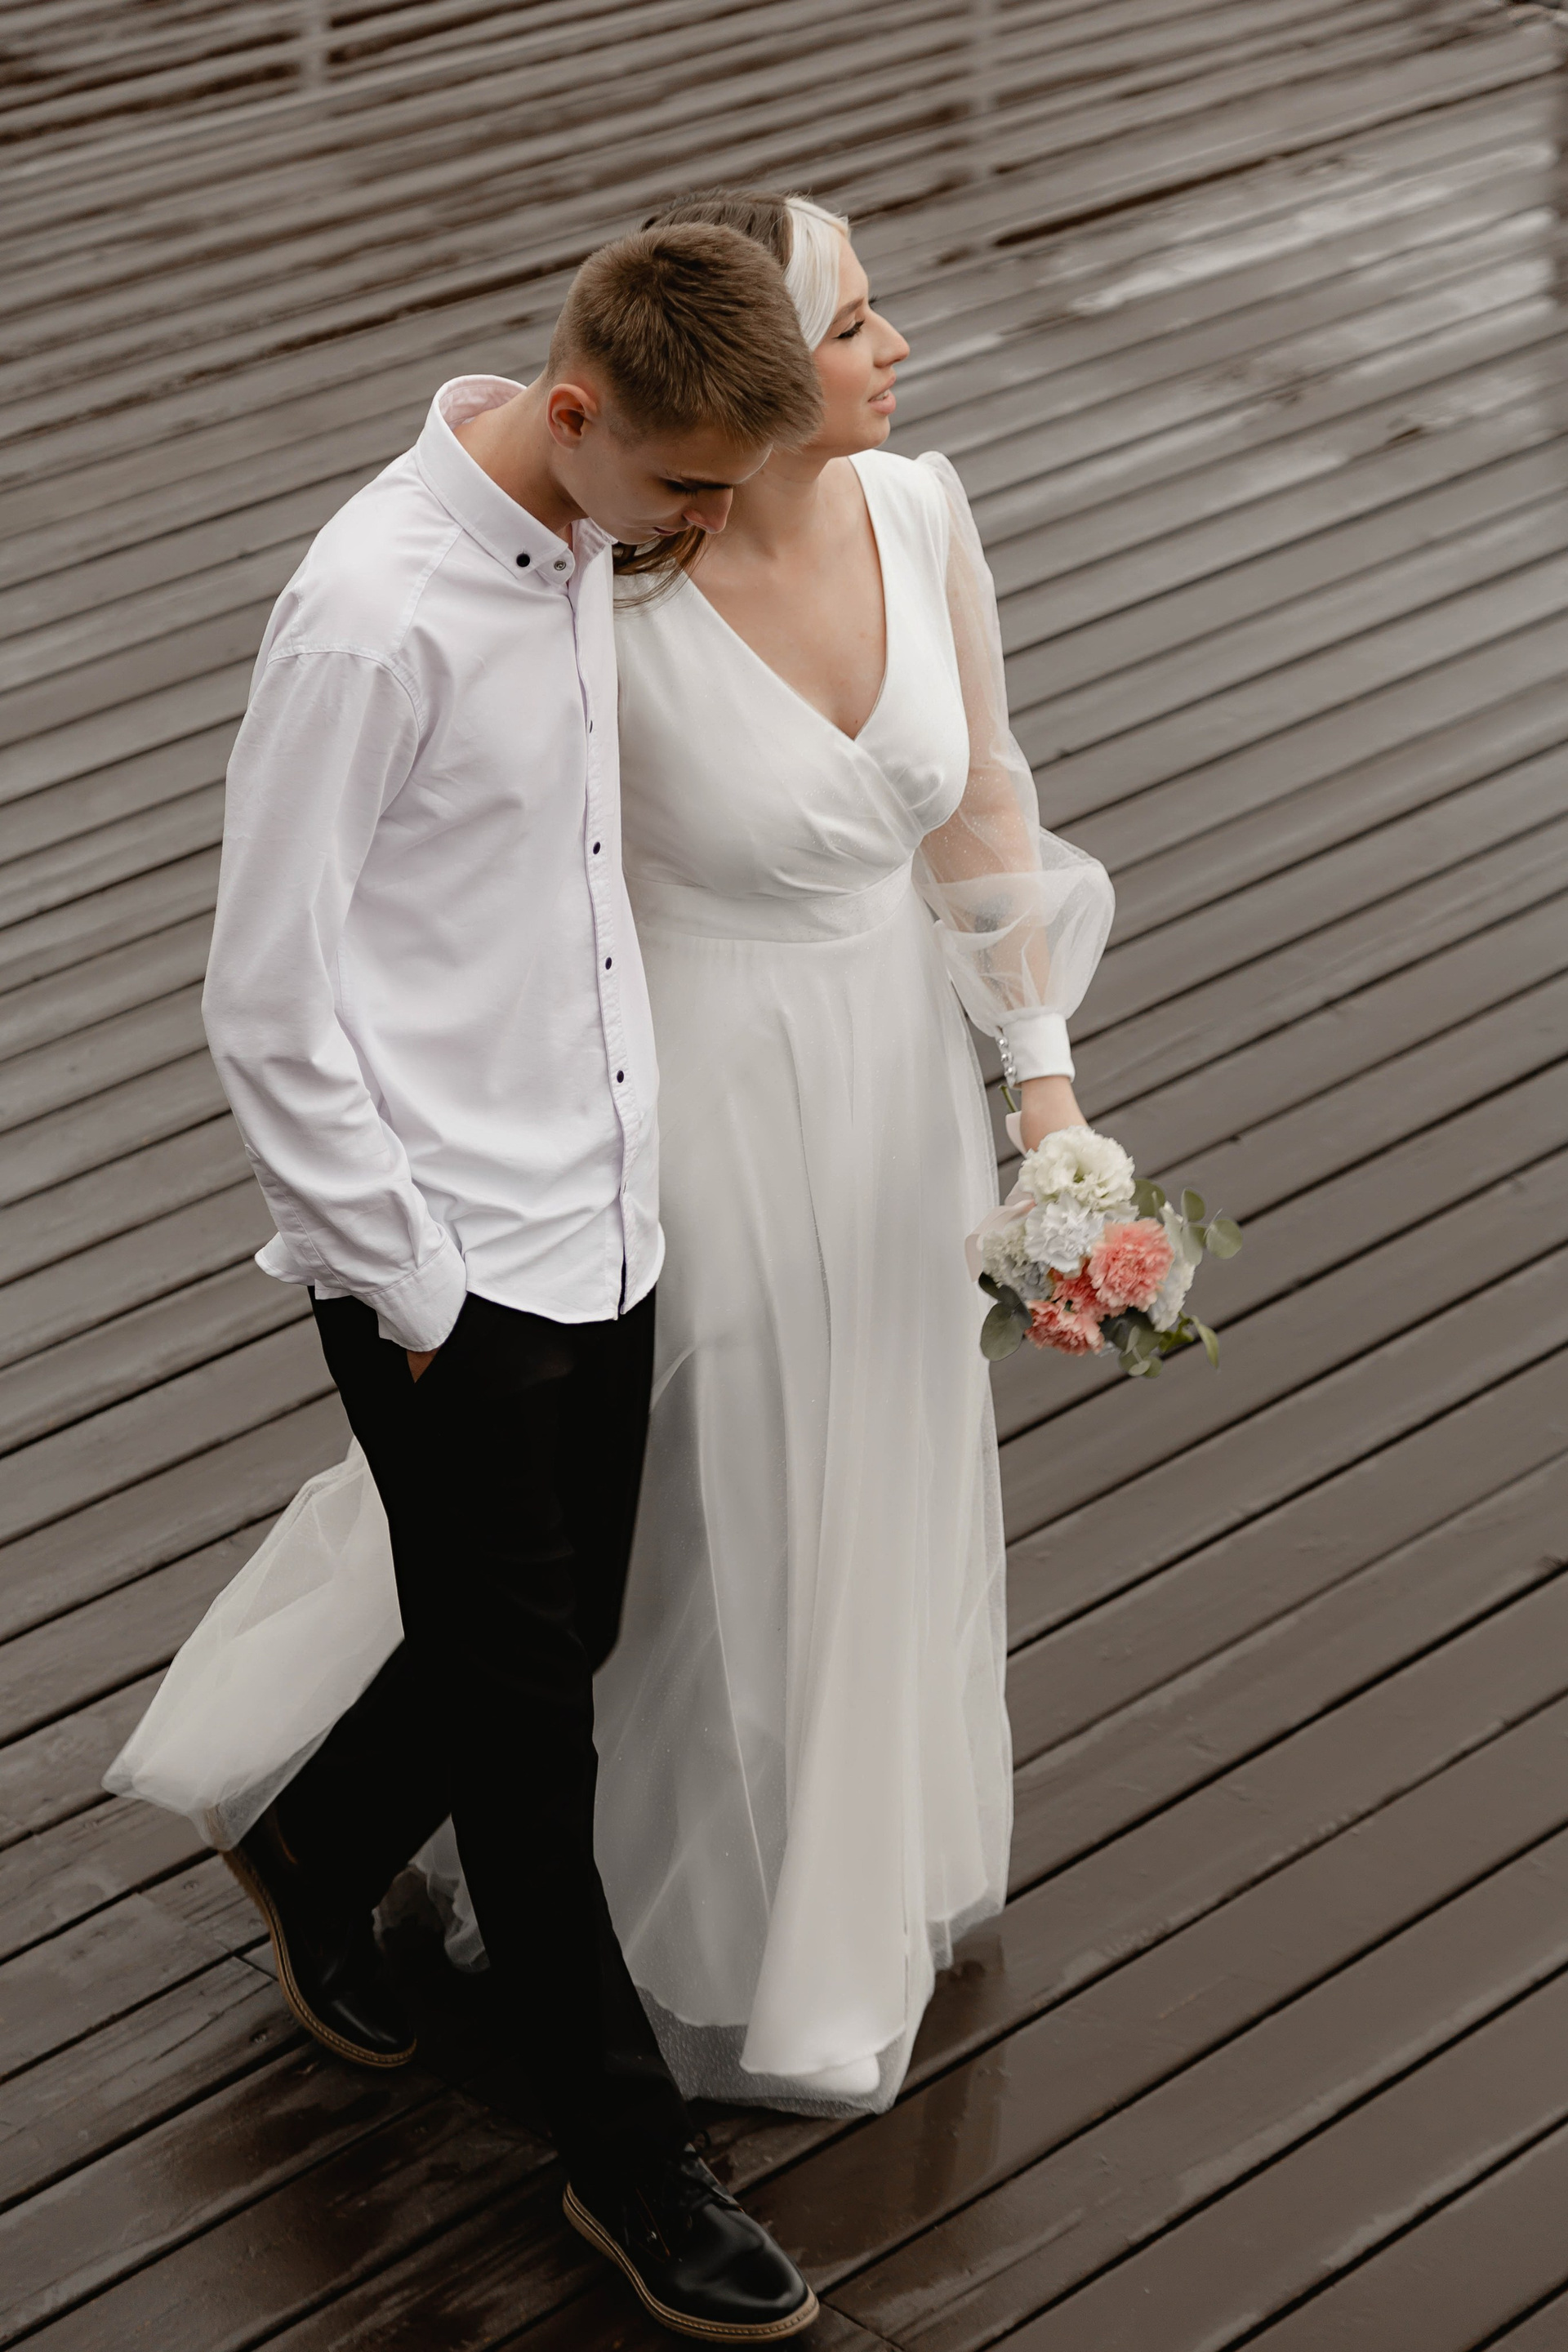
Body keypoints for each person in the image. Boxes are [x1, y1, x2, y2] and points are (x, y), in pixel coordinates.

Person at [114, 188, 1111, 2154]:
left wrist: (1042, 1096)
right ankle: (619, 2084)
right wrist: (410, 1272)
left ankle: (727, 1902)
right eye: (857, 321)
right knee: (645, 1552)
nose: (896, 350)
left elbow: (982, 799)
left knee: (797, 1502)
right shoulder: (575, 573)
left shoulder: (891, 515)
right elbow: (299, 972)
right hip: (666, 1111)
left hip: (871, 1092)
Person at [125, 225, 827, 2345]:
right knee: (533, 1738)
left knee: (569, 1626)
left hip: (603, 1216)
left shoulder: (591, 526)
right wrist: (412, 1290)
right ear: (578, 409)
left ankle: (318, 1847)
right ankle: (627, 2163)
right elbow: (265, 997)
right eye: (685, 488)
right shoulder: (369, 618)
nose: (700, 531)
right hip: (442, 1275)